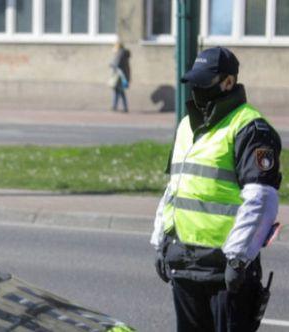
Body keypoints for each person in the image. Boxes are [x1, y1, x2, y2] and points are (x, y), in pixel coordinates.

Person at [151, 47, 282, 332]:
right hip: (185, 264)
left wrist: (238, 258)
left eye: (204, 81)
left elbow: (261, 199)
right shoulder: (187, 125)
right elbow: (175, 188)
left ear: (228, 82)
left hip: (224, 270)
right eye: (194, 81)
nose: (197, 88)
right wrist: (161, 240)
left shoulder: (250, 127)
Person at [110, 42, 130, 113]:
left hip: (120, 76)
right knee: (118, 91)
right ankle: (116, 106)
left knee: (120, 91)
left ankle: (123, 107)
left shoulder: (120, 54)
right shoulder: (123, 54)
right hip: (122, 76)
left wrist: (111, 64)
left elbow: (116, 64)